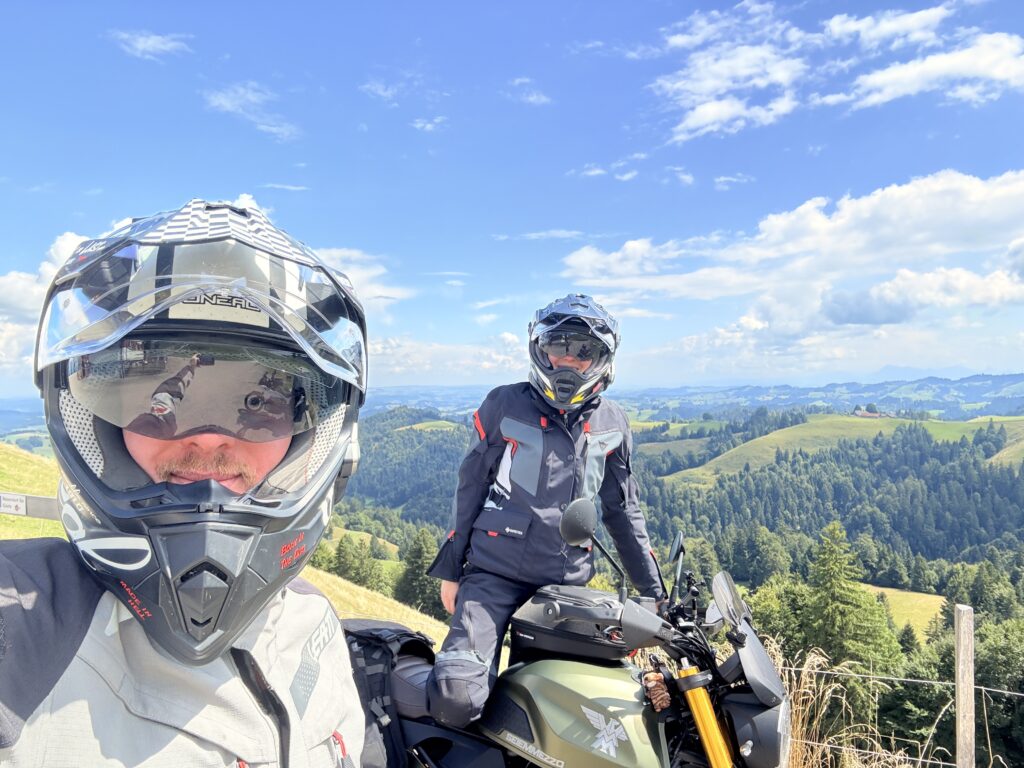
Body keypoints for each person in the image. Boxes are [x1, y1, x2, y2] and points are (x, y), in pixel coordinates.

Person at [0, 200, 368, 767]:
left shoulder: (313, 621)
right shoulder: (28, 630)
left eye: (262, 404)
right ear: (91, 425)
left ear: (311, 438)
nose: (209, 443)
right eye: (154, 401)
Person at [425, 293, 666, 727]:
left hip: (566, 587)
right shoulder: (504, 403)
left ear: (602, 359)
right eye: (559, 347)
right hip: (491, 575)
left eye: (584, 351)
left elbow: (622, 512)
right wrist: (451, 568)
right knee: (456, 698)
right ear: (540, 349)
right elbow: (471, 484)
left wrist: (654, 593)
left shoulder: (614, 422)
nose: (569, 361)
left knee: (564, 714)